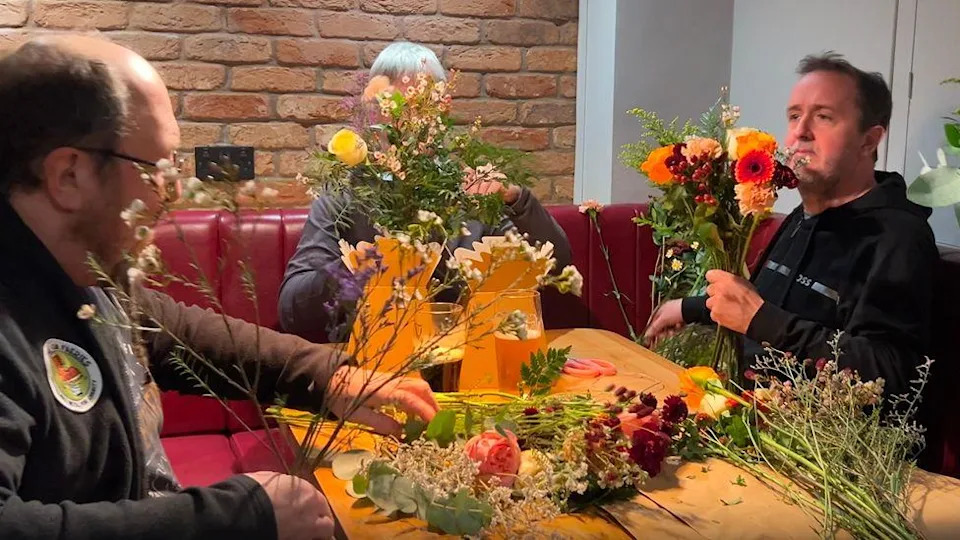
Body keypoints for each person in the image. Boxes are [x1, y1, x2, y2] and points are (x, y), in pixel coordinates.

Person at [0, 36, 438, 539]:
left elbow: (174, 333)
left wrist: (329, 375)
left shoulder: (85, 272)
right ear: (69, 175)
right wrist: (240, 517)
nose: (171, 192)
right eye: (158, 169)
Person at [644, 52, 937, 397]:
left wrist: (764, 322)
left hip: (818, 440)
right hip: (744, 408)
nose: (800, 132)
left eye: (824, 117)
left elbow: (890, 370)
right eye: (794, 116)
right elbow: (761, 304)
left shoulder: (897, 236)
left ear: (869, 140)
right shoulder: (805, 215)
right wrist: (685, 308)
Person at [279, 41, 573, 342]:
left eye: (420, 107)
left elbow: (556, 267)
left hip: (466, 360)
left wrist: (517, 200)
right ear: (373, 113)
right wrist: (351, 271)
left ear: (442, 108)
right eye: (393, 109)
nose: (406, 123)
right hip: (374, 365)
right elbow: (292, 312)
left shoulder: (472, 192)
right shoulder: (344, 196)